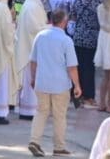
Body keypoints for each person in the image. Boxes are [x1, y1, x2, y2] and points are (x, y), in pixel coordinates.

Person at [27, 9, 81, 158]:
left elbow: (33, 61)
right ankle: (59, 146)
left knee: (41, 112)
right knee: (59, 116)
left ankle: (34, 140)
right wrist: (77, 85)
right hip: (60, 84)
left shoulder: (40, 36)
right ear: (64, 22)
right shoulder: (66, 40)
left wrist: (33, 78)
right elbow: (72, 66)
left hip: (42, 81)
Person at [16, 0, 51, 120]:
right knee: (30, 80)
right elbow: (34, 29)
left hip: (31, 48)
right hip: (29, 49)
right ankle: (28, 111)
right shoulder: (32, 5)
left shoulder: (34, 3)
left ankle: (31, 109)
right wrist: (50, 28)